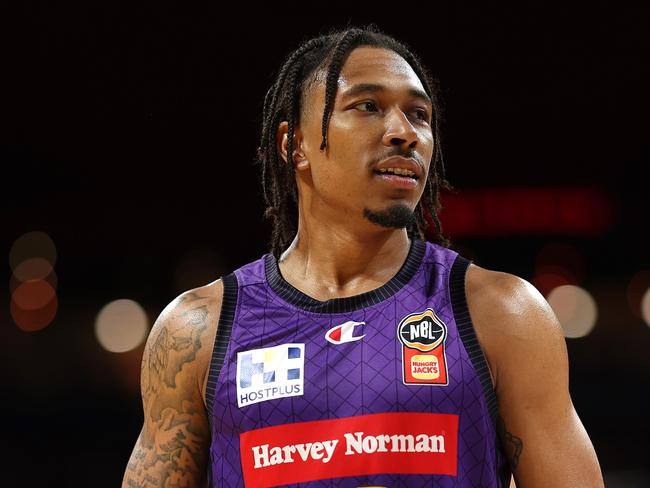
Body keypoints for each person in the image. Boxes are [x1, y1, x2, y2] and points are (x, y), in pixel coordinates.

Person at [122, 25, 604, 487]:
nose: (404, 132)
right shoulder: (198, 329)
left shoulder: (501, 311)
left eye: (419, 115)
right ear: (295, 145)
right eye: (369, 106)